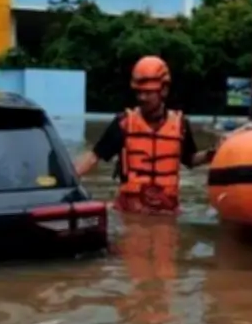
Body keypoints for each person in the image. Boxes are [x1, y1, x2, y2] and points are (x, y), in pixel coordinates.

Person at [74, 55, 217, 215]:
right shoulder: (123, 124)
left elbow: (190, 159)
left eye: (148, 93)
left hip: (166, 212)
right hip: (131, 211)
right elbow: (94, 156)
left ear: (164, 90)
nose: (142, 98)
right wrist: (69, 177)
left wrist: (211, 154)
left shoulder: (180, 125)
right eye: (139, 92)